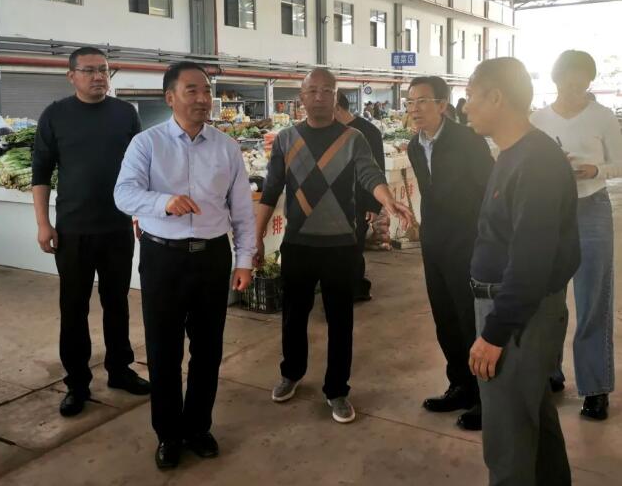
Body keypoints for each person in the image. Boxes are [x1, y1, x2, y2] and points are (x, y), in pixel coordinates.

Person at [114, 61, 256, 470]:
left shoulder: (226, 147)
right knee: (164, 351)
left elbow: (242, 210)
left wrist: (244, 260)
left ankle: (197, 427)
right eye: (191, 90)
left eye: (206, 90)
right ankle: (168, 433)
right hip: (163, 258)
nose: (202, 98)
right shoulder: (147, 144)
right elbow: (123, 194)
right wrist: (164, 202)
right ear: (170, 97)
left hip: (212, 257)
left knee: (208, 350)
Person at [255, 68, 411, 424]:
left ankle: (337, 389)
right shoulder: (286, 139)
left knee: (341, 320)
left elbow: (370, 174)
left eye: (327, 90)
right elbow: (271, 189)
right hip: (298, 244)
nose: (320, 97)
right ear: (301, 97)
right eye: (313, 90)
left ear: (336, 96)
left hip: (342, 246)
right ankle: (291, 373)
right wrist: (256, 237)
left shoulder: (353, 138)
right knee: (294, 316)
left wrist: (386, 199)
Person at [464, 57, 579, 485]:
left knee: (508, 440)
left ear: (496, 97)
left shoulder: (536, 161)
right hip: (516, 312)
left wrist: (495, 334)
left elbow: (531, 259)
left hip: (517, 318)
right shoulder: (514, 154)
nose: (466, 106)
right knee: (532, 419)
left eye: (471, 96)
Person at [32, 47, 149, 418]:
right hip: (73, 230)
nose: (99, 77)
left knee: (117, 303)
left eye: (104, 70)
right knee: (73, 307)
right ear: (72, 76)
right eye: (90, 70)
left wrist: (142, 213)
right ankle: (77, 383)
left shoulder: (125, 113)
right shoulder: (55, 115)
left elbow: (141, 168)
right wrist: (43, 223)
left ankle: (120, 369)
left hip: (117, 227)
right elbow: (40, 173)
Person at [531, 50, 622, 420]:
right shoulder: (538, 119)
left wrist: (595, 169)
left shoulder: (603, 116)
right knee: (547, 300)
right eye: (568, 76)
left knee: (593, 300)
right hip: (549, 211)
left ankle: (595, 387)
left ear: (590, 80)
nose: (574, 84)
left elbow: (620, 161)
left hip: (592, 210)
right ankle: (550, 372)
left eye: (582, 77)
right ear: (555, 78)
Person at [406, 76, 493, 431]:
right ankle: (460, 385)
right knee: (445, 317)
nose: (414, 109)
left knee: (470, 317)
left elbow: (489, 191)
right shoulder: (414, 146)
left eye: (422, 101)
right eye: (410, 102)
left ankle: (486, 398)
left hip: (468, 241)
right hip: (434, 243)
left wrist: (485, 240)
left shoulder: (468, 141)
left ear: (442, 105)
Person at [335, 91, 386, 302]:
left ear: (337, 107)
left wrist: (373, 205)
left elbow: (377, 169)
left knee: (354, 246)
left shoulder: (368, 132)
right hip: (334, 201)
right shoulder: (330, 131)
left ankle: (354, 289)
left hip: (359, 200)